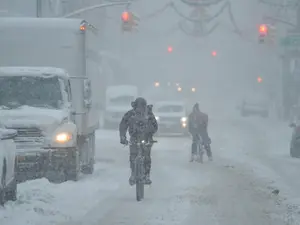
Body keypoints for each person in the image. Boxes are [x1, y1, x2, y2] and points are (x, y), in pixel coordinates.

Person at [119, 97, 158, 185]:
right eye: (138, 107)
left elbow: (155, 126)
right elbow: (123, 125)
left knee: (147, 157)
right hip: (134, 138)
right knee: (133, 155)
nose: (140, 109)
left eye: (142, 107)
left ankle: (147, 175)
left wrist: (149, 131)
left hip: (147, 138)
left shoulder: (149, 114)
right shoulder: (130, 114)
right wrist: (122, 137)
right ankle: (133, 174)